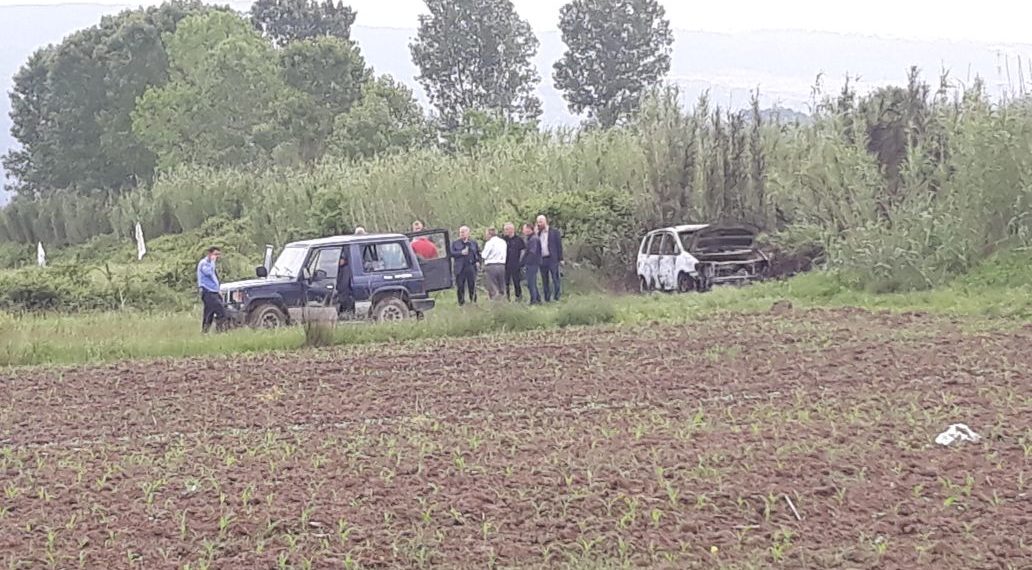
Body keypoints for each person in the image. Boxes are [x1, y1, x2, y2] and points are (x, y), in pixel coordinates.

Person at [197, 247, 225, 333]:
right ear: (210, 254)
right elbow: (208, 273)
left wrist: (218, 290)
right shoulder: (204, 263)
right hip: (208, 292)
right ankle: (220, 331)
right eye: (215, 254)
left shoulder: (211, 264)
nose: (217, 256)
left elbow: (214, 279)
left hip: (214, 292)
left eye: (218, 255)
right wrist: (212, 261)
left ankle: (204, 332)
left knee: (209, 314)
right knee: (221, 312)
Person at [450, 226, 480, 305]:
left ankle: (473, 301)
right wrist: (461, 253)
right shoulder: (455, 243)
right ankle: (461, 302)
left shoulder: (473, 243)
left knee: (472, 285)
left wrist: (478, 261)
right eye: (461, 232)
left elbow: (478, 253)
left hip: (471, 266)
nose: (462, 234)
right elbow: (451, 253)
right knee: (460, 286)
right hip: (460, 268)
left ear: (468, 233)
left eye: (464, 232)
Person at [537, 215, 564, 302]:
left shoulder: (554, 232)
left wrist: (561, 258)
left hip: (552, 258)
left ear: (545, 221)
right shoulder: (538, 234)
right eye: (538, 222)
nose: (539, 224)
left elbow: (559, 245)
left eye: (541, 222)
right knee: (544, 279)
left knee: (555, 278)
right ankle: (547, 298)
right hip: (542, 259)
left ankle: (557, 297)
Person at [481, 227, 507, 301]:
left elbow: (484, 255)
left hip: (491, 265)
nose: (485, 236)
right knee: (501, 285)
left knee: (492, 285)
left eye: (486, 234)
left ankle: (494, 301)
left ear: (490, 234)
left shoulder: (489, 243)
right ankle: (502, 300)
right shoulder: (503, 242)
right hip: (502, 265)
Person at [502, 222, 525, 301]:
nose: (505, 231)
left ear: (512, 230)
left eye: (506, 229)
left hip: (515, 264)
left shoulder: (519, 239)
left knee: (516, 281)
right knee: (506, 282)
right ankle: (506, 297)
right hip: (505, 264)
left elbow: (522, 251)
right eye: (504, 229)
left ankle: (518, 297)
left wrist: (520, 262)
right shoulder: (503, 240)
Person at [521, 223, 542, 305]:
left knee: (531, 282)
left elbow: (532, 252)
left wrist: (527, 262)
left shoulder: (533, 239)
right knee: (532, 282)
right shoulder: (531, 238)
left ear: (529, 229)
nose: (523, 231)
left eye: (524, 229)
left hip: (532, 263)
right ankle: (538, 299)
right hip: (532, 263)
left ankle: (533, 300)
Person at [336, 250, 354, 314]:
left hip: (345, 292)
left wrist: (338, 289)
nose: (340, 261)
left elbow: (344, 283)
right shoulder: (340, 268)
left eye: (341, 259)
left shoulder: (346, 269)